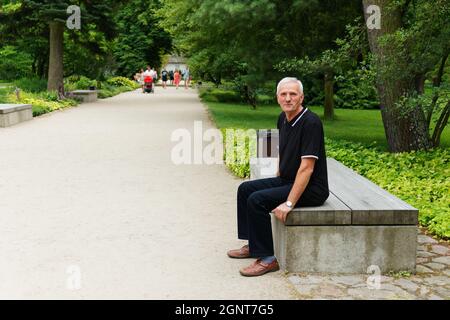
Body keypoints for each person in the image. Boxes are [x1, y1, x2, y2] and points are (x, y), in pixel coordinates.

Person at [227, 77, 329, 277]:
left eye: (293, 94)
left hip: (312, 188)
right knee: (245, 189)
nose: (288, 98)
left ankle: (267, 259)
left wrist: (289, 203)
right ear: (277, 97)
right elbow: (282, 148)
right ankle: (253, 244)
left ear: (301, 97)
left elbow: (307, 168)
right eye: (284, 94)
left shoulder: (311, 122)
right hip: (288, 180)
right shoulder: (283, 118)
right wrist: (278, 174)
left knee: (257, 200)